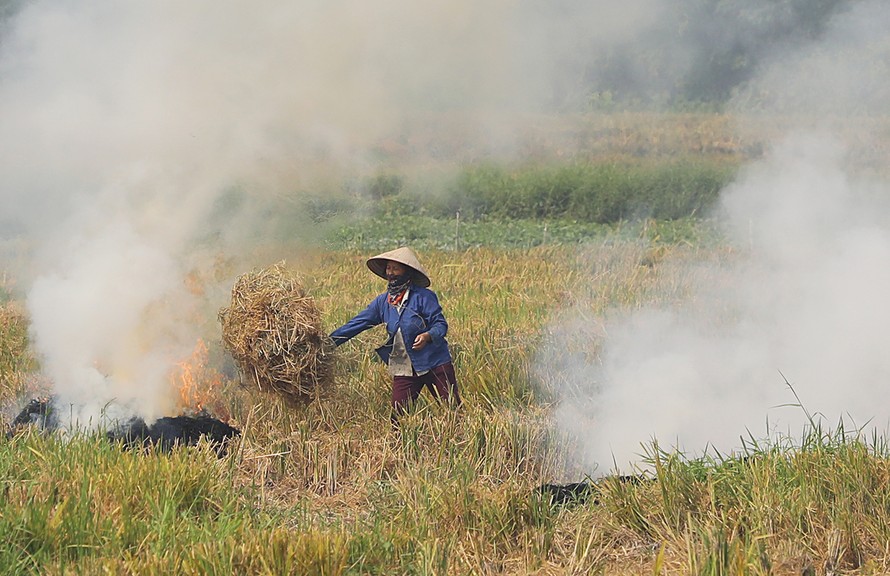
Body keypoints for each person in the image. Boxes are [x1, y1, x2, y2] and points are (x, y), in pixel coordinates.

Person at [330, 246, 461, 419]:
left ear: (407, 272)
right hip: (404, 366)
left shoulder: (423, 297)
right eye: (388, 268)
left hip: (434, 363)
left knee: (451, 410)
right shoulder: (383, 302)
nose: (390, 273)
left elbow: (440, 325)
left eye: (395, 269)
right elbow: (357, 323)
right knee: (398, 416)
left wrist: (427, 336)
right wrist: (328, 343)